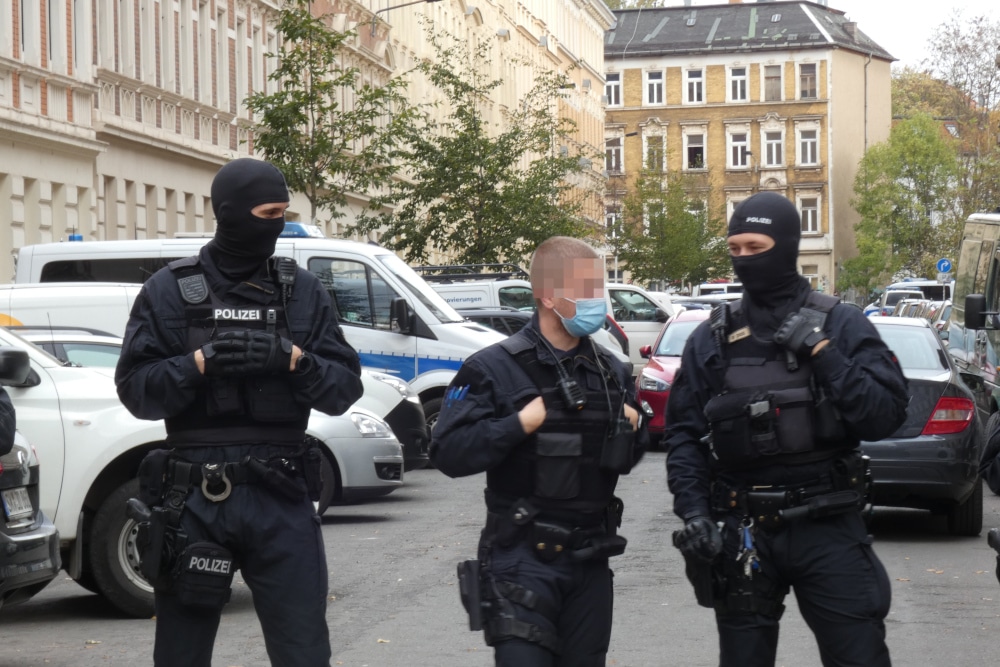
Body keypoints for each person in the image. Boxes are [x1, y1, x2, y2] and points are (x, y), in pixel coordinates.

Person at [115, 158, 363, 667]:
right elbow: (137, 392)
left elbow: (343, 390)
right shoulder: (168, 290)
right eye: (268, 212)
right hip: (194, 499)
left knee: (303, 651)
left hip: (281, 492)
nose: (277, 224)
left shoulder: (302, 292)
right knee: (182, 653)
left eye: (283, 213)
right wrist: (197, 364)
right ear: (228, 213)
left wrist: (293, 360)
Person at [665, 191, 909, 667]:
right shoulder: (711, 338)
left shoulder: (841, 323)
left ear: (786, 246)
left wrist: (825, 354)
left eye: (755, 248)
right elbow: (683, 436)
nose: (743, 261)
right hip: (745, 530)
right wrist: (694, 514)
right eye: (734, 249)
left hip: (827, 525)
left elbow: (885, 415)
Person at [430, 236, 648, 667]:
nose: (597, 302)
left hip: (590, 559)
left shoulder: (611, 371)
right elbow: (448, 453)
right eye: (587, 291)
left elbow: (623, 461)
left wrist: (633, 430)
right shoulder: (492, 368)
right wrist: (518, 425)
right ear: (549, 295)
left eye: (598, 289)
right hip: (521, 558)